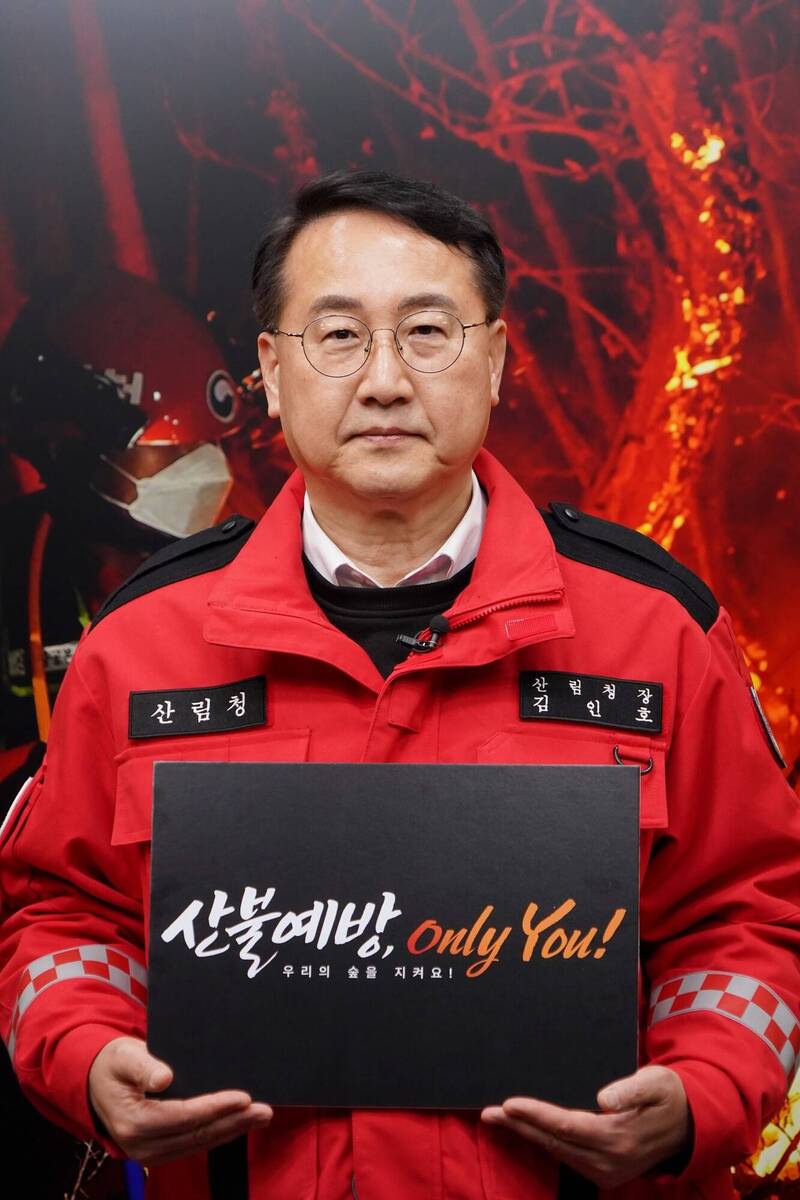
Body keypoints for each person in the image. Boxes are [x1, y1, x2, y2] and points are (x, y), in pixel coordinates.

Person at [1, 170, 798, 1200]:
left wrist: (698, 1089)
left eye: (428, 332)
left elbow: (752, 917)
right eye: (337, 335)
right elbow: (61, 917)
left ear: (496, 359)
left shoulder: (656, 632)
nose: (383, 380)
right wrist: (86, 1052)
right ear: (270, 372)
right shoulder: (140, 647)